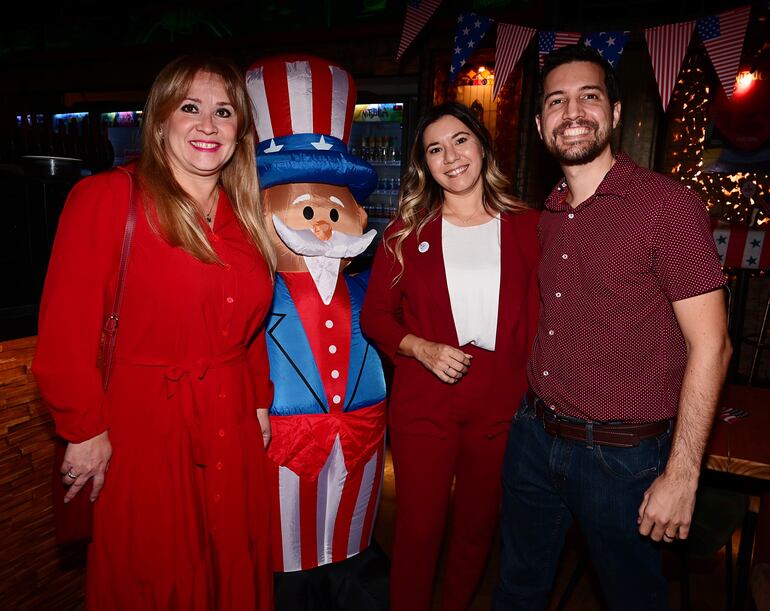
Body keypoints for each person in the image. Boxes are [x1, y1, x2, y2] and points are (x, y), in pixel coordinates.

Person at [492, 44, 732, 611]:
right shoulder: (548, 212)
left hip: (621, 460)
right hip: (534, 436)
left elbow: (713, 345)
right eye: (556, 101)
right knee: (517, 589)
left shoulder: (666, 206)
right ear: (539, 123)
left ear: (616, 113)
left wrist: (682, 476)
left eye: (588, 97)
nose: (571, 112)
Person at [33, 55, 276, 610]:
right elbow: (64, 334)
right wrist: (84, 428)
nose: (208, 125)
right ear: (160, 119)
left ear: (241, 133)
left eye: (224, 112)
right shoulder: (106, 199)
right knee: (154, 571)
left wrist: (259, 402)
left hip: (233, 422)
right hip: (145, 429)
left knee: (233, 563)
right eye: (190, 108)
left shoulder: (244, 217)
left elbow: (251, 325)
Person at [360, 101, 539, 611]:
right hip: (424, 400)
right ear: (425, 164)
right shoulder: (405, 232)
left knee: (476, 532)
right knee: (418, 531)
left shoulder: (529, 228)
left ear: (482, 145)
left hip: (501, 404)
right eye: (435, 149)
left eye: (460, 140)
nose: (451, 156)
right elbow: (375, 317)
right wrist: (420, 348)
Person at [245, 54, 389, 610]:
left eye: (335, 210)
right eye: (306, 211)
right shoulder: (254, 290)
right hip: (285, 441)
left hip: (361, 437)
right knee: (287, 556)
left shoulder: (371, 288)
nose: (324, 223)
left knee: (351, 546)